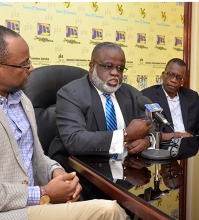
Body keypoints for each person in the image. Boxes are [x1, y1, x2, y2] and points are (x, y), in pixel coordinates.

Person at [0, 24, 128, 219]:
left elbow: (32, 155)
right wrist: (43, 192)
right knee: (109, 211)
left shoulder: (22, 101)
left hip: (35, 203)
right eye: (25, 64)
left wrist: (57, 172)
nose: (32, 68)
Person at [48, 42, 154, 198]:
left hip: (124, 175)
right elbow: (74, 140)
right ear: (92, 66)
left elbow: (149, 125)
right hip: (81, 177)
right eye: (108, 66)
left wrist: (147, 140)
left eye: (120, 68)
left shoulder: (133, 94)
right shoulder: (71, 94)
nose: (115, 73)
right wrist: (126, 135)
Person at [141, 58, 199, 142]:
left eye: (179, 77)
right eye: (171, 75)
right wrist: (177, 135)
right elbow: (145, 131)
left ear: (183, 80)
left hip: (189, 148)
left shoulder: (192, 97)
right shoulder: (147, 96)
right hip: (163, 148)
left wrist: (196, 140)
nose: (174, 80)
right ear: (163, 75)